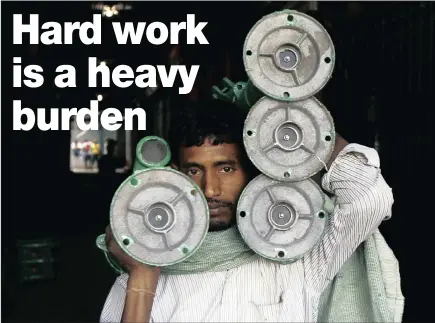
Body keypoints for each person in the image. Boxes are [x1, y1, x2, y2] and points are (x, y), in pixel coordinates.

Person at [100, 99, 402, 322]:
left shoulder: (299, 256)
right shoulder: (148, 270)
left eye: (226, 168)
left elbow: (368, 198)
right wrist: (142, 274)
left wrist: (300, 120)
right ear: (174, 175)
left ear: (255, 170)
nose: (210, 190)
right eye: (194, 171)